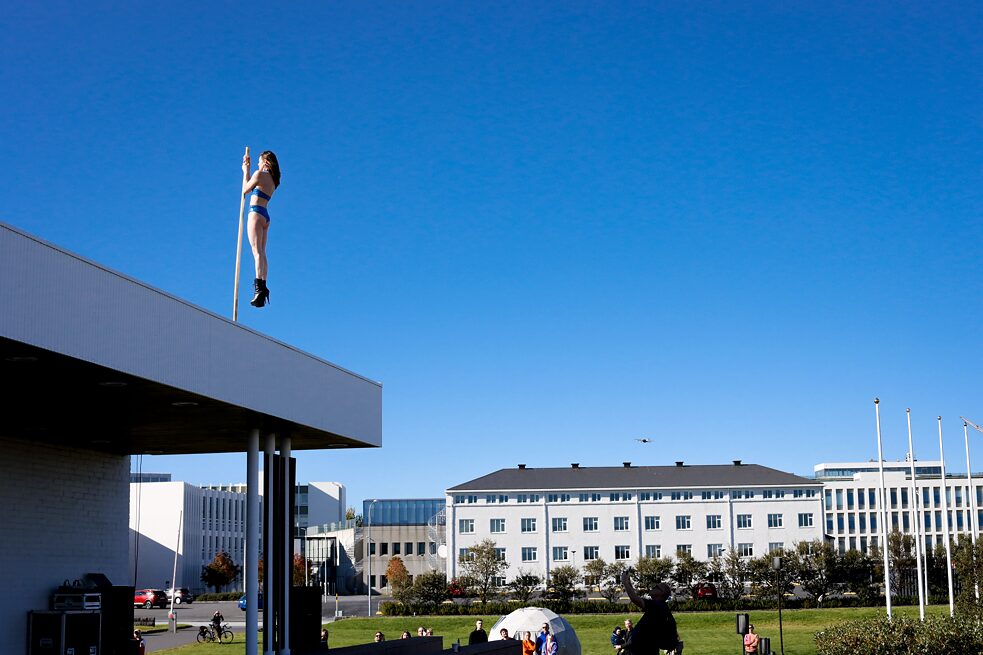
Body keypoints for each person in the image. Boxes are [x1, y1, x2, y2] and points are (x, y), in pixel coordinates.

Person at [241, 149, 281, 308]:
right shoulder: (273, 180)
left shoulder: (259, 174)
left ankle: (259, 289)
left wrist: (246, 171)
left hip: (256, 213)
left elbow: (245, 189)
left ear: (265, 162)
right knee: (262, 253)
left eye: (259, 161)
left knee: (257, 252)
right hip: (265, 216)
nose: (258, 164)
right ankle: (263, 286)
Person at [620, 570, 680, 655]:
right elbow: (635, 596)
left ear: (661, 593)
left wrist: (625, 582)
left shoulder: (657, 605)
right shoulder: (661, 607)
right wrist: (628, 582)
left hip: (644, 650)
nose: (653, 587)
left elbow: (635, 599)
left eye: (656, 587)